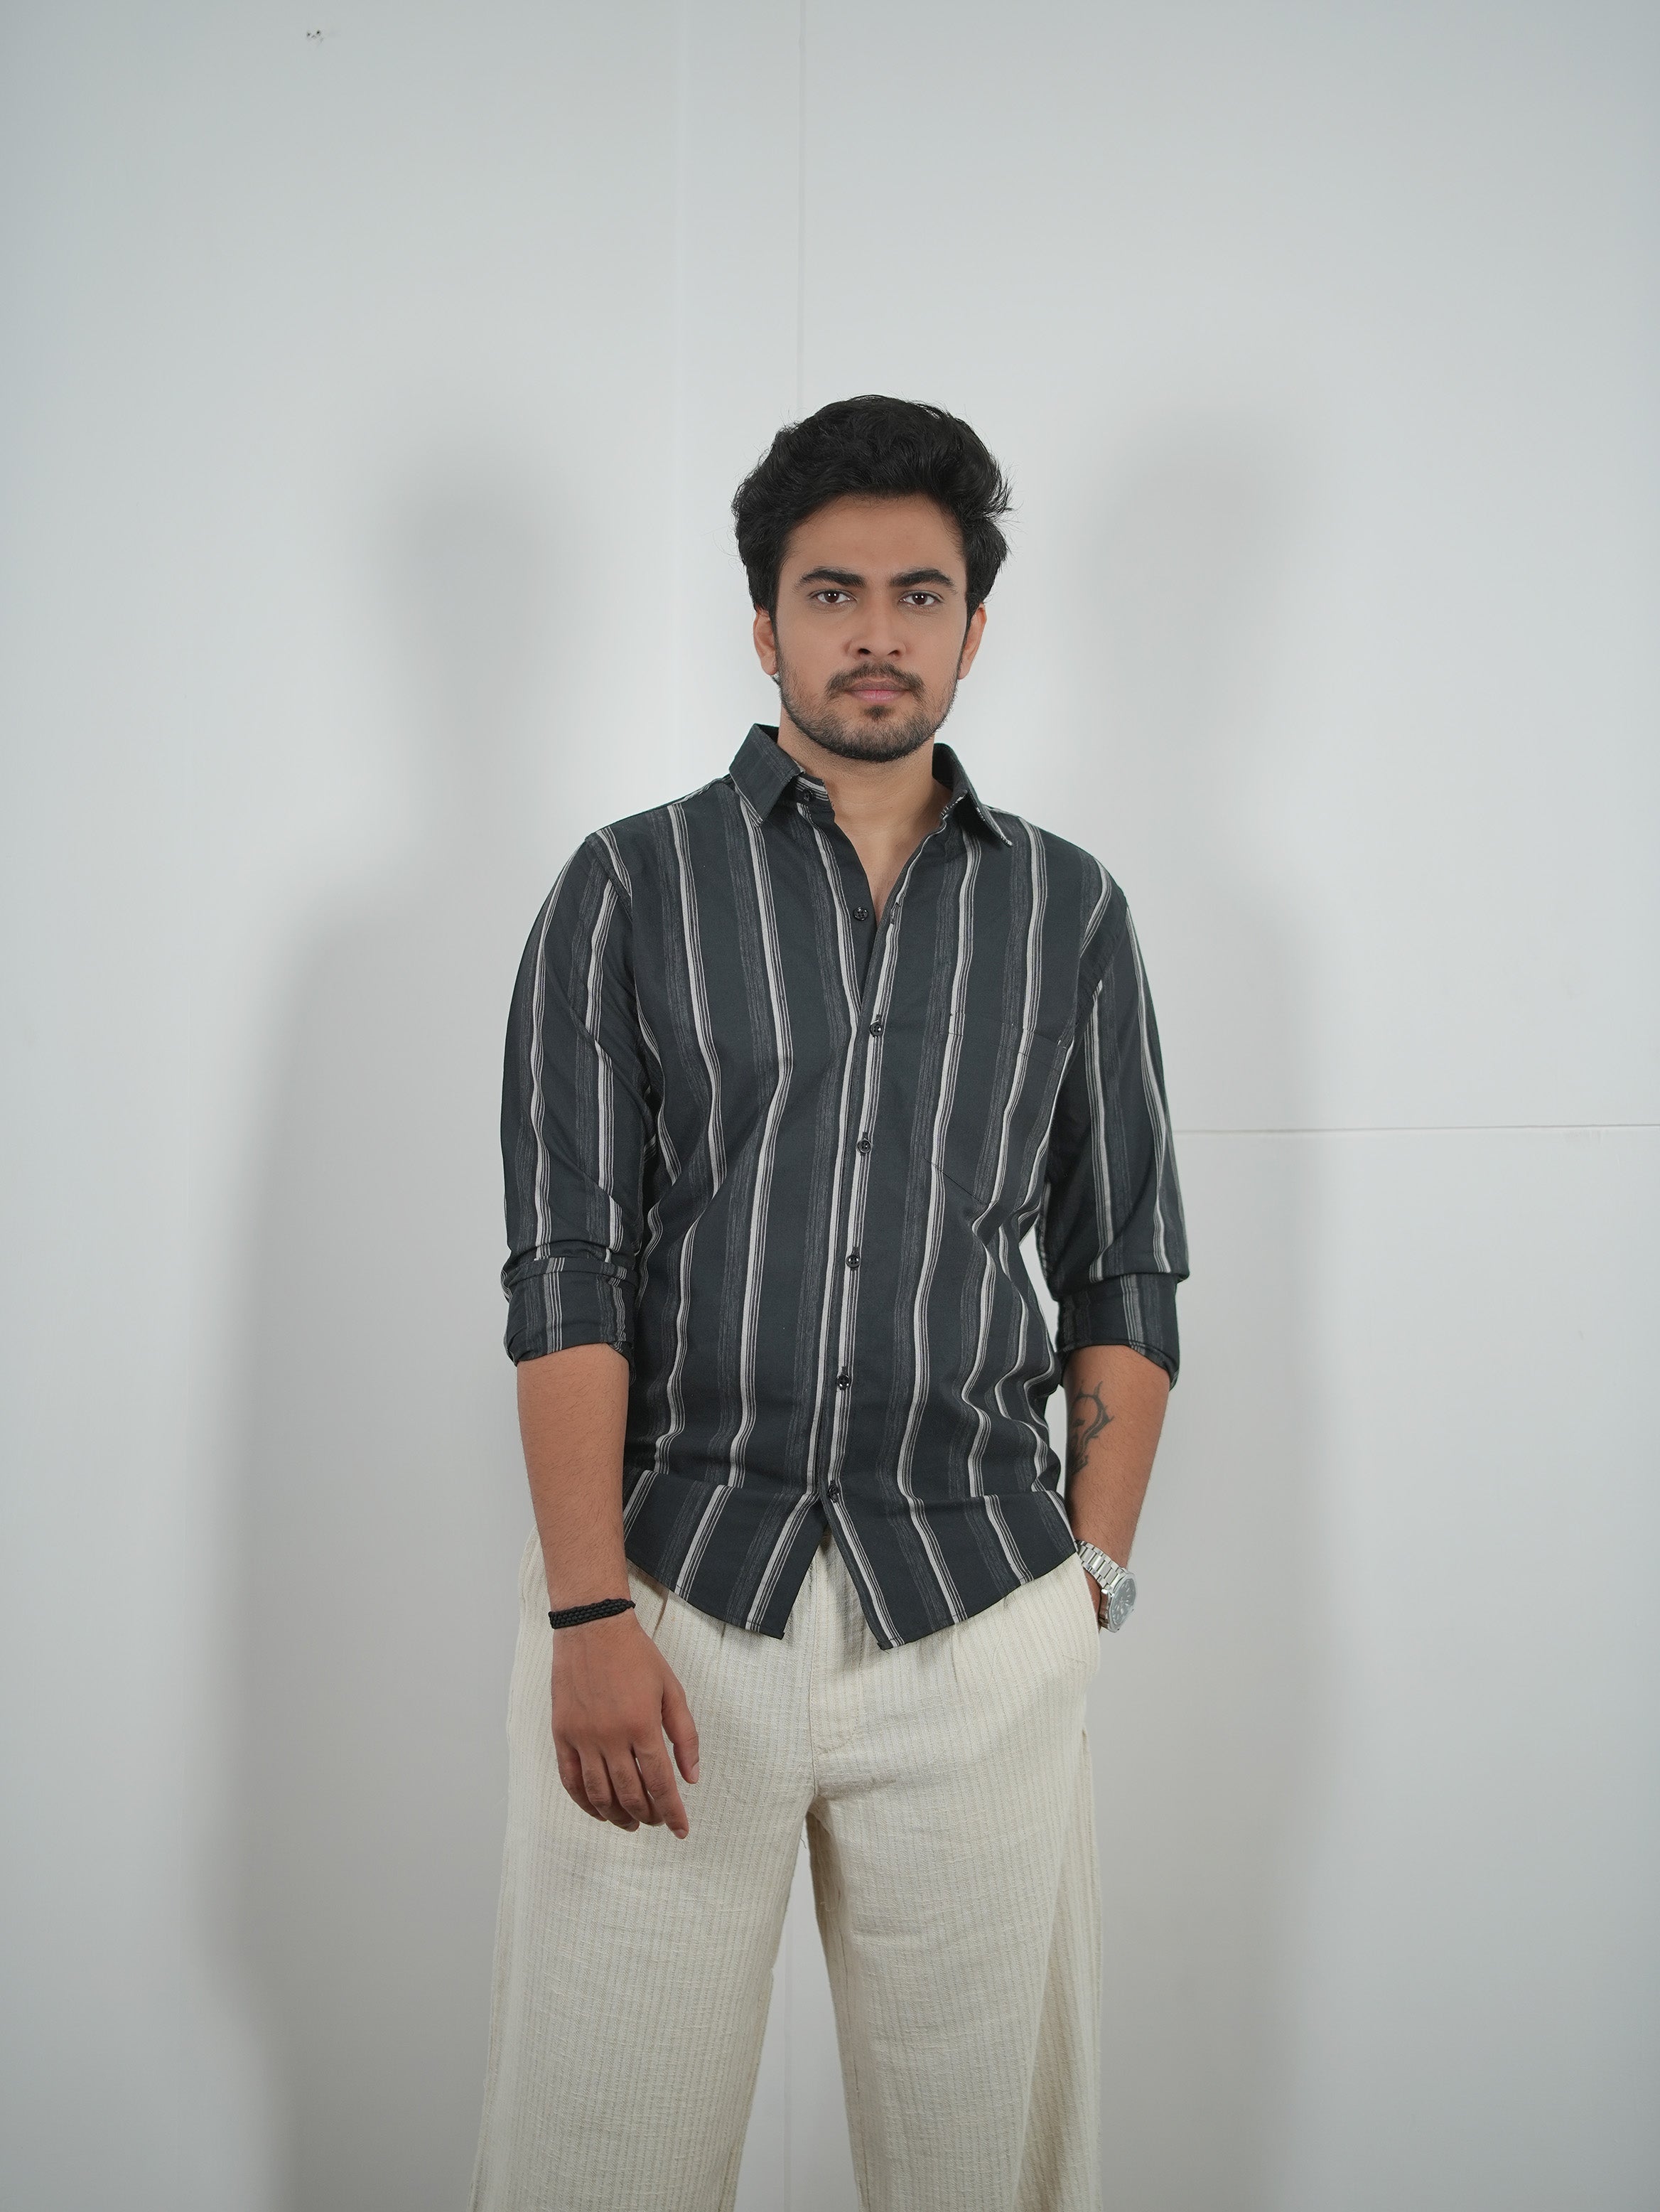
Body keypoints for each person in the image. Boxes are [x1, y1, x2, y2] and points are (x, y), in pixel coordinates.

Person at [467, 394, 1189, 2212]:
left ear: (973, 627)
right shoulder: (629, 886)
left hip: (977, 1610)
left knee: (985, 2171)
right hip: (672, 1614)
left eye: (918, 594)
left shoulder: (1071, 913)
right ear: (764, 621)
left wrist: (1086, 1584)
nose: (877, 632)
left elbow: (1125, 1261)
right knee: (597, 2159)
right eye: (833, 591)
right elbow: (565, 1266)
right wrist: (585, 1611)